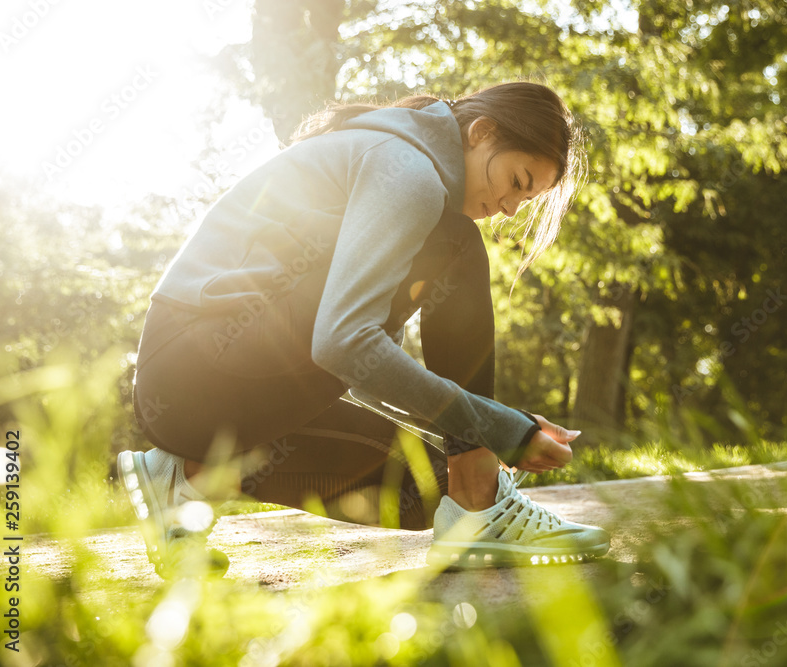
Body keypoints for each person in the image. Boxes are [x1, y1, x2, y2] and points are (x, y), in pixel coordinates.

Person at [116, 81, 611, 576]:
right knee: (459, 244)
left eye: (527, 200)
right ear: (482, 132)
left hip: (211, 393)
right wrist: (496, 429)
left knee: (425, 489)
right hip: (193, 364)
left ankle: (181, 479)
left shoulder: (403, 177)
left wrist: (486, 422)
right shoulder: (408, 170)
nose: (510, 208)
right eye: (517, 181)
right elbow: (344, 344)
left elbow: (356, 369)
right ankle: (481, 502)